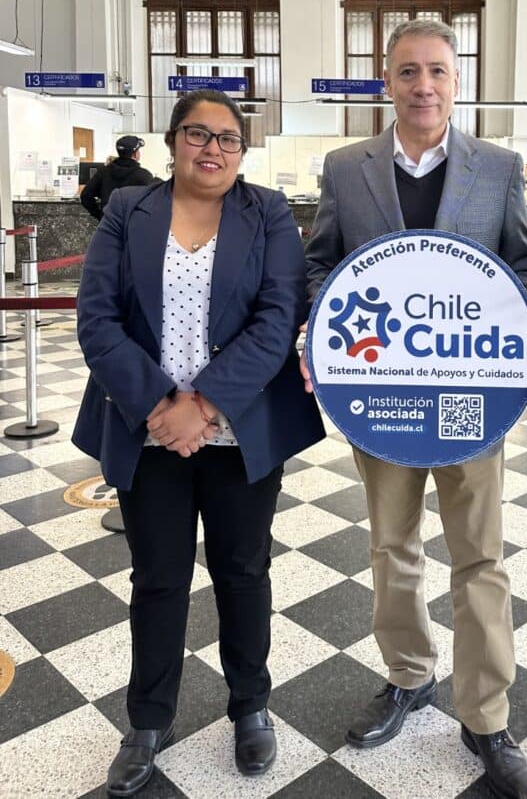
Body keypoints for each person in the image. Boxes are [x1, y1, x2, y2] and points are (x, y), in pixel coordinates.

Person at [303, 19, 527, 799]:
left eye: (437, 69)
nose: (423, 85)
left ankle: (487, 714)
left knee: (480, 555)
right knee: (392, 545)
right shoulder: (347, 167)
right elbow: (321, 265)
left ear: (456, 79)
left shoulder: (498, 166)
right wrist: (323, 339)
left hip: (471, 394)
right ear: (387, 80)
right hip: (382, 396)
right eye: (407, 71)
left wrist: (521, 345)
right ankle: (410, 674)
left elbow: (523, 268)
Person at [73, 89, 324, 797]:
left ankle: (250, 706)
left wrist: (205, 404)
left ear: (242, 150)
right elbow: (97, 316)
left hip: (239, 430)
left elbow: (279, 316)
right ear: (171, 140)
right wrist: (162, 407)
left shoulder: (267, 210)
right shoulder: (129, 210)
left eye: (226, 138)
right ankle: (147, 721)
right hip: (148, 429)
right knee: (158, 577)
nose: (212, 148)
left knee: (243, 571)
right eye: (197, 134)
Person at [80, 135, 155, 220]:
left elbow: (85, 196)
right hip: (133, 224)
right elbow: (154, 202)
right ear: (135, 155)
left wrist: (100, 215)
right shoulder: (144, 176)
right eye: (138, 151)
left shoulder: (103, 172)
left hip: (109, 223)